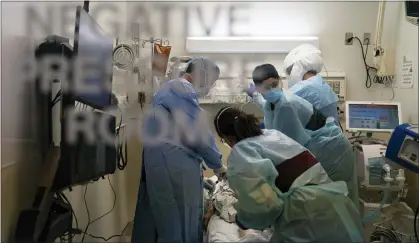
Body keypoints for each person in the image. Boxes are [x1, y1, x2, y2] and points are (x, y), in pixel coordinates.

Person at [213, 106, 363, 242]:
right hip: (337, 205)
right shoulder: (273, 135)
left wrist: (242, 219)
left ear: (228, 138)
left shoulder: (242, 152)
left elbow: (262, 205)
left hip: (305, 213)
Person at [132, 57, 227, 243]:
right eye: (211, 83)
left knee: (161, 221)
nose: (209, 88)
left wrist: (200, 179)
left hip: (165, 161)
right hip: (171, 164)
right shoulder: (180, 88)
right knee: (178, 222)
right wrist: (218, 165)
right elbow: (197, 131)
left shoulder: (171, 89)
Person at [244, 64, 359, 206]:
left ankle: (345, 227)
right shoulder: (271, 100)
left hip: (333, 151)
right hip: (320, 148)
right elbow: (263, 101)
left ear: (280, 80)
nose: (272, 89)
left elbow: (290, 150)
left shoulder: (286, 104)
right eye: (267, 88)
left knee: (337, 199)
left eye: (275, 84)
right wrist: (249, 90)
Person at [284, 44, 341, 127]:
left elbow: (281, 107)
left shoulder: (303, 90)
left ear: (297, 67)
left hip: (317, 138)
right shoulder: (321, 84)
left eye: (290, 71)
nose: (290, 75)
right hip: (333, 137)